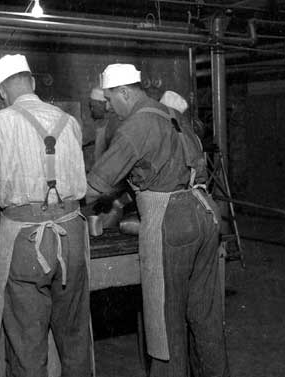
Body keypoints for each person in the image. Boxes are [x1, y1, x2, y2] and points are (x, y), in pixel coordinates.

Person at [86, 64, 229, 377]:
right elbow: (160, 166)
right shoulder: (171, 114)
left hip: (171, 221)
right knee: (204, 315)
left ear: (124, 92)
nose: (108, 107)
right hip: (204, 211)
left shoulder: (136, 125)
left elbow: (95, 185)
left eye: (110, 100)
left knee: (165, 321)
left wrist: (71, 201)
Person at [0, 54, 92, 377]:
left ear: (1, 92)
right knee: (75, 337)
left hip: (25, 240)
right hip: (72, 235)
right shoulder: (69, 121)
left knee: (25, 341)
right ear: (32, 83)